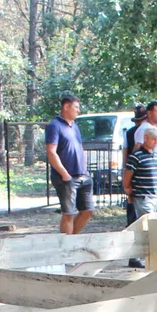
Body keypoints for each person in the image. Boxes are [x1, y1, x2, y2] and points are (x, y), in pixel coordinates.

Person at [43, 94, 92, 235]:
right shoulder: (55, 126)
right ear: (66, 107)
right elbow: (51, 152)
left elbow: (80, 147)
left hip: (82, 175)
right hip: (66, 177)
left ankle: (71, 242)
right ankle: (65, 249)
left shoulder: (75, 126)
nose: (78, 111)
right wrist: (64, 174)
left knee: (88, 211)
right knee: (69, 213)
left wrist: (85, 169)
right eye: (76, 107)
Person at [122, 124, 157, 218]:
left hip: (154, 197)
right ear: (146, 138)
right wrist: (128, 190)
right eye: (153, 138)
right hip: (142, 197)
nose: (156, 142)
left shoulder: (156, 156)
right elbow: (127, 176)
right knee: (147, 223)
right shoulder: (136, 156)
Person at [121, 104, 146, 223]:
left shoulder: (130, 133)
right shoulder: (145, 131)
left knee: (132, 195)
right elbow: (126, 150)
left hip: (133, 167)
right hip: (138, 167)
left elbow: (125, 151)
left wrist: (125, 167)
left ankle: (131, 221)